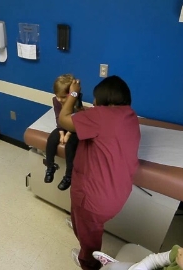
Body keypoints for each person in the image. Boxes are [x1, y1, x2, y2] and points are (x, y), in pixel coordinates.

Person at [58, 76, 141, 270]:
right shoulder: (129, 115)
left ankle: (87, 262)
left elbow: (63, 120)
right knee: (86, 221)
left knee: (89, 237)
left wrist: (73, 93)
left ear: (105, 100)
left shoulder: (100, 116)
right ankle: (81, 224)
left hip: (95, 199)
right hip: (118, 192)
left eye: (96, 99)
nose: (93, 103)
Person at [92, 238, 183, 270]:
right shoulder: (177, 253)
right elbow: (154, 260)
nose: (180, 250)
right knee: (111, 269)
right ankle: (112, 264)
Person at [44, 74, 81, 191]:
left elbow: (76, 120)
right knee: (51, 139)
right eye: (57, 96)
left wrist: (68, 134)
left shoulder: (75, 101)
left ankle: (69, 176)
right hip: (63, 124)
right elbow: (58, 117)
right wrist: (61, 133)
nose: (59, 99)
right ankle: (50, 166)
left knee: (70, 145)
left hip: (75, 127)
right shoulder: (56, 101)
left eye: (63, 97)